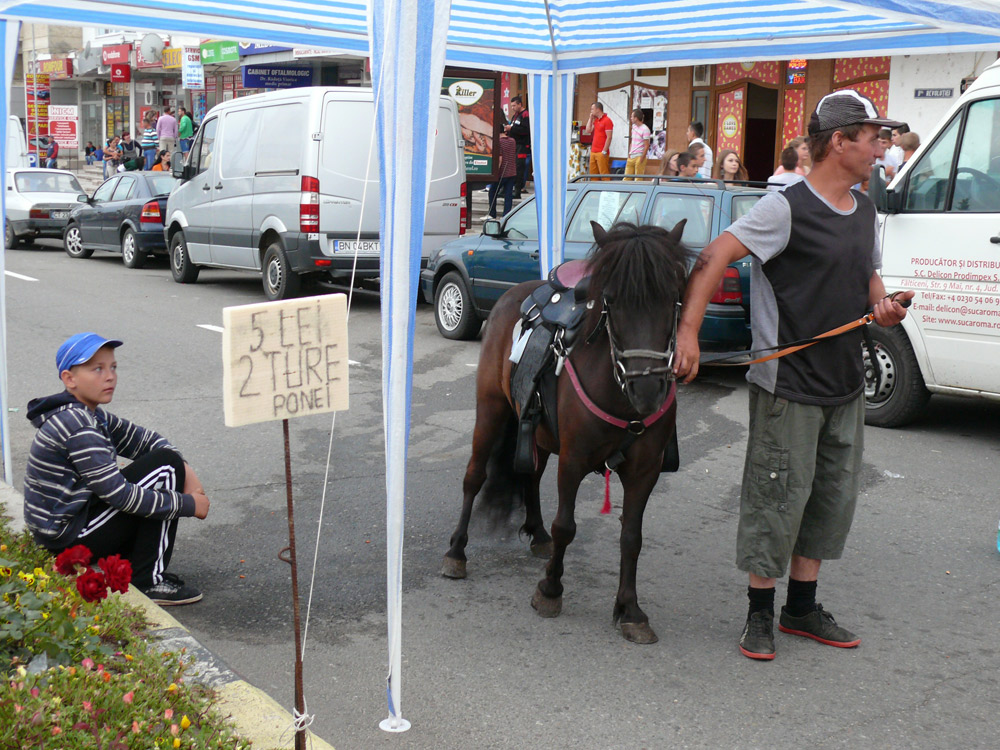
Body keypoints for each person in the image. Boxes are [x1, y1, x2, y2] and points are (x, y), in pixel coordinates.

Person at [673, 90, 914, 661]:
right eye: (874, 136)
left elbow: (868, 282)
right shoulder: (785, 207)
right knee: (775, 497)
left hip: (844, 384)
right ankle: (759, 614)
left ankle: (801, 607)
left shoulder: (866, 211)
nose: (883, 147)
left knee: (830, 498)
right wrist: (688, 333)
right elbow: (712, 259)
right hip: (788, 386)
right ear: (839, 141)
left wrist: (885, 307)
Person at [22, 333, 210, 605]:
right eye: (97, 369)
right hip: (67, 538)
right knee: (165, 469)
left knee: (167, 462)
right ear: (69, 379)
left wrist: (186, 471)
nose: (109, 376)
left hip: (74, 524)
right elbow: (119, 495)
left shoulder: (90, 413)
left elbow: (146, 441)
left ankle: (139, 563)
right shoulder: (78, 425)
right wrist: (189, 503)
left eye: (113, 367)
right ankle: (149, 581)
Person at [505, 96, 531, 198]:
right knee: (514, 167)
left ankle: (518, 191)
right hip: (514, 145)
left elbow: (525, 130)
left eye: (514, 105)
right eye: (511, 106)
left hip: (522, 145)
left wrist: (512, 129)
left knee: (519, 168)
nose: (512, 108)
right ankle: (510, 189)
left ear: (520, 104)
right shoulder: (515, 115)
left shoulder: (526, 115)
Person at [488, 131, 517, 218]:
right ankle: (506, 215)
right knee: (508, 195)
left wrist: (495, 173)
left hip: (502, 172)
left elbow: (500, 159)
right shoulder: (513, 141)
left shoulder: (498, 142)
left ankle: (492, 213)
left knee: (492, 192)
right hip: (512, 171)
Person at [584, 101, 614, 181]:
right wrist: (590, 118)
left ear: (598, 109)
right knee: (593, 174)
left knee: (604, 174)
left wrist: (604, 150)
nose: (591, 111)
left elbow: (609, 137)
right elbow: (588, 130)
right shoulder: (596, 120)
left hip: (601, 151)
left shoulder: (607, 120)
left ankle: (607, 190)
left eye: (592, 109)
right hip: (593, 151)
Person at [623, 108, 651, 180]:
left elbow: (647, 145)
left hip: (639, 156)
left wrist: (642, 158)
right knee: (626, 178)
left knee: (638, 179)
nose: (631, 118)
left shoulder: (645, 129)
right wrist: (629, 153)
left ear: (636, 118)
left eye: (632, 116)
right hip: (631, 155)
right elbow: (632, 141)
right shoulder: (634, 127)